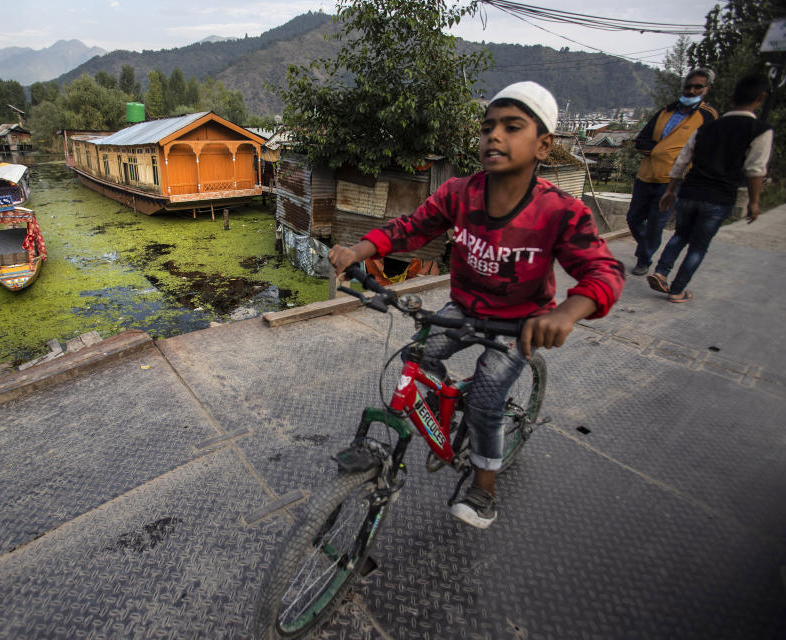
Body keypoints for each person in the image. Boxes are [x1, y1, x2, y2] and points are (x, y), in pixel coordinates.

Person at [327, 82, 624, 529]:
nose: (494, 137)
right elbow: (411, 227)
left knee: (487, 399)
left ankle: (484, 487)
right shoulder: (460, 193)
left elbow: (604, 273)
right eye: (487, 128)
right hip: (464, 308)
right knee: (416, 357)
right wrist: (359, 251)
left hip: (517, 325)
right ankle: (447, 407)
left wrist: (565, 313)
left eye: (512, 127)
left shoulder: (560, 211)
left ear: (544, 144)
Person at [646, 74, 774, 303]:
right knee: (698, 245)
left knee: (680, 234)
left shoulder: (708, 127)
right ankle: (677, 290)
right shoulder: (759, 130)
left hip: (690, 191)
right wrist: (754, 202)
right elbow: (756, 170)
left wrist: (670, 191)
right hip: (719, 196)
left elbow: (682, 160)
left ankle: (662, 271)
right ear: (760, 98)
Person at [626, 69, 719, 276]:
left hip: (673, 180)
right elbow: (642, 140)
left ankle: (644, 258)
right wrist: (659, 152)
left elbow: (707, 149)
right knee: (633, 218)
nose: (692, 90)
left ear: (706, 89)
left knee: (656, 222)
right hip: (646, 175)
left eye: (697, 87)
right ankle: (646, 247)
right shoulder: (665, 112)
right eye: (688, 86)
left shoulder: (707, 116)